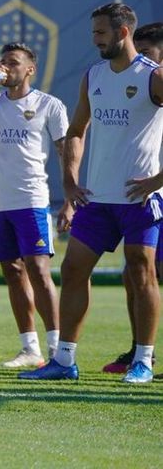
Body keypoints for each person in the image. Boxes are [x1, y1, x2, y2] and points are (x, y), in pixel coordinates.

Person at [22, 3, 163, 385]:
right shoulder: (94, 76)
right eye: (93, 33)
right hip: (98, 198)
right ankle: (64, 360)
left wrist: (158, 179)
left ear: (122, 33)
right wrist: (69, 179)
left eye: (101, 33)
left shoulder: (153, 76)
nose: (95, 40)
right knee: (72, 269)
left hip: (139, 198)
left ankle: (144, 361)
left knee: (141, 272)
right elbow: (77, 130)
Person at [0, 42, 66, 368]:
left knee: (38, 269)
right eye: (3, 61)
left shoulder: (49, 105)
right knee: (12, 271)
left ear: (30, 69)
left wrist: (70, 198)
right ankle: (29, 347)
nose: (7, 67)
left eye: (14, 62)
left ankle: (58, 348)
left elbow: (66, 152)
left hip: (32, 200)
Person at [101, 21, 163, 374]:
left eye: (149, 53)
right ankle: (143, 352)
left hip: (156, 192)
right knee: (136, 273)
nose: (141, 61)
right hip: (147, 196)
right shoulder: (134, 81)